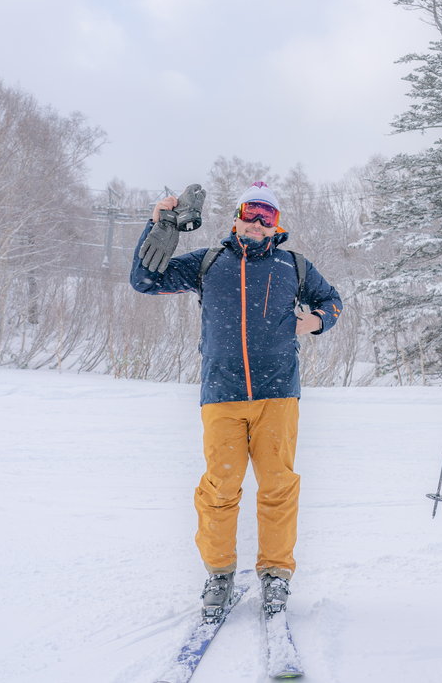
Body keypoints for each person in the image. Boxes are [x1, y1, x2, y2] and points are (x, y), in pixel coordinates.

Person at [130, 181, 343, 622]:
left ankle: (276, 574)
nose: (257, 222)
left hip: (278, 395)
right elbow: (145, 280)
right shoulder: (209, 262)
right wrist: (155, 225)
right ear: (236, 217)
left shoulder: (294, 266)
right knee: (220, 489)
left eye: (267, 216)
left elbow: (332, 301)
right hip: (222, 395)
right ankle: (220, 574)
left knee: (278, 487)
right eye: (251, 212)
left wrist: (317, 321)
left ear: (276, 224)